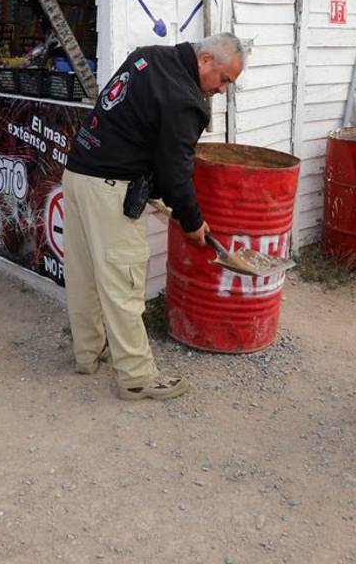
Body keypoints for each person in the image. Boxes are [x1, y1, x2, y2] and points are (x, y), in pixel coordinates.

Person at [62, 34, 246, 401]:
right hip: (111, 188)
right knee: (123, 282)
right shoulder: (186, 98)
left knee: (84, 275)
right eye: (224, 79)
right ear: (205, 59)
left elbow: (138, 128)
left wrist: (161, 195)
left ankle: (88, 353)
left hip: (78, 174)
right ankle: (135, 377)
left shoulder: (149, 56)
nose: (223, 90)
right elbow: (176, 170)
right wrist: (192, 221)